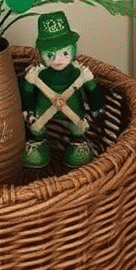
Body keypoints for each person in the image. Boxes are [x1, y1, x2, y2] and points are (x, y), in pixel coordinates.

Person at [20, 11, 105, 169]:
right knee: (37, 128)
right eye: (50, 54)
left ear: (73, 50)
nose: (58, 60)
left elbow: (92, 90)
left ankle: (77, 143)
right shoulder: (40, 73)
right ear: (41, 54)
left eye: (65, 53)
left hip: (73, 111)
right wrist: (28, 104)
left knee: (78, 128)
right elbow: (27, 93)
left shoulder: (78, 72)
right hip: (43, 110)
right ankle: (39, 143)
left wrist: (95, 104)